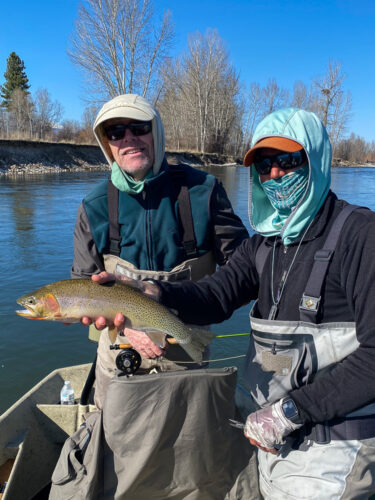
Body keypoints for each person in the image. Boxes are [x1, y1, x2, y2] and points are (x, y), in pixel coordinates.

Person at [94, 107, 375, 498]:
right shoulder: (264, 242)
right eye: (263, 165)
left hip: (333, 449)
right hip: (265, 434)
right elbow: (216, 295)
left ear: (316, 158)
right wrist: (155, 293)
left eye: (288, 161)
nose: (274, 174)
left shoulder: (361, 236)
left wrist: (292, 412)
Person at [71, 93, 249, 409]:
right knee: (112, 446)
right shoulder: (93, 208)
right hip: (119, 353)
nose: (128, 139)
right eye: (115, 132)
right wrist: (129, 327)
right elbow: (84, 285)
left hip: (187, 352)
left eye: (138, 127)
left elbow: (244, 270)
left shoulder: (204, 192)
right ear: (106, 144)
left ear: (157, 131)